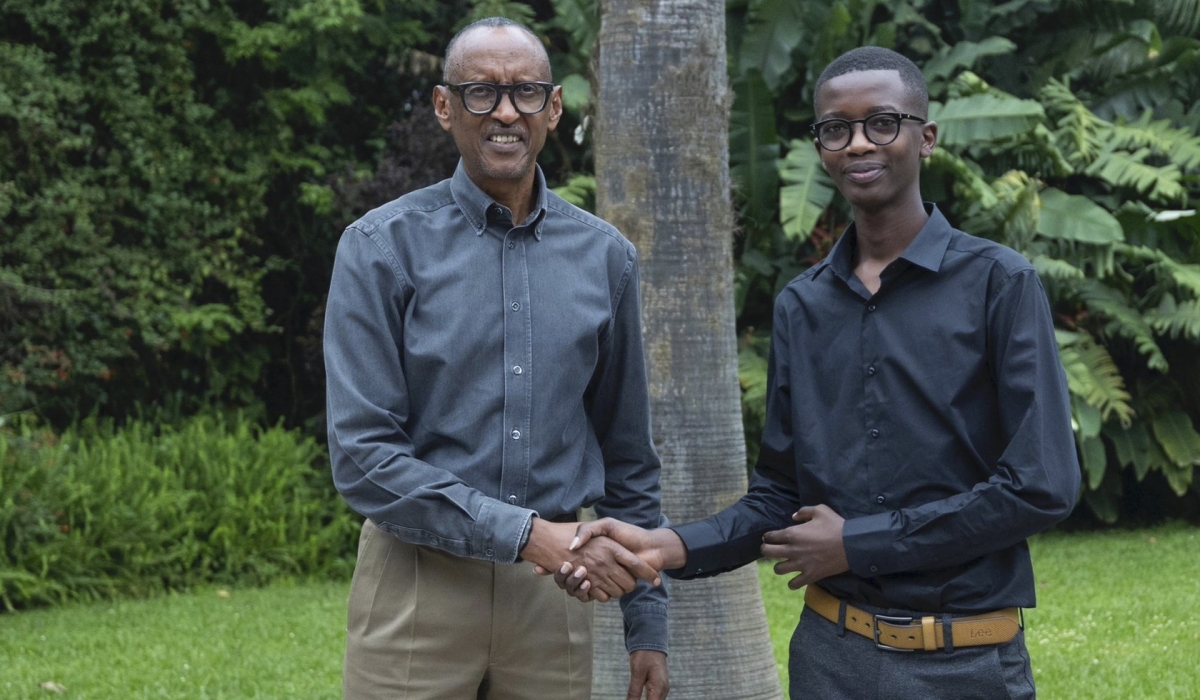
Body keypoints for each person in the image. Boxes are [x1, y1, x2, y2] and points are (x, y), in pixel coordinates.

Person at [553, 46, 1080, 699]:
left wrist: (860, 543)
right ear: (822, 148)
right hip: (832, 660)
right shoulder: (803, 305)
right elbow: (779, 493)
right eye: (837, 129)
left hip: (964, 663)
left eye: (882, 123)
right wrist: (666, 548)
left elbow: (1042, 485)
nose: (859, 143)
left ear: (927, 138)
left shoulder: (1000, 284)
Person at [323, 17, 669, 700]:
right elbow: (362, 456)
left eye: (527, 92)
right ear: (444, 107)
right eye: (481, 92)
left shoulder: (606, 259)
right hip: (417, 585)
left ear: (555, 106)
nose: (506, 111)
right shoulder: (380, 248)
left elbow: (628, 453)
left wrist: (647, 623)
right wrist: (526, 533)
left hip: (554, 601)